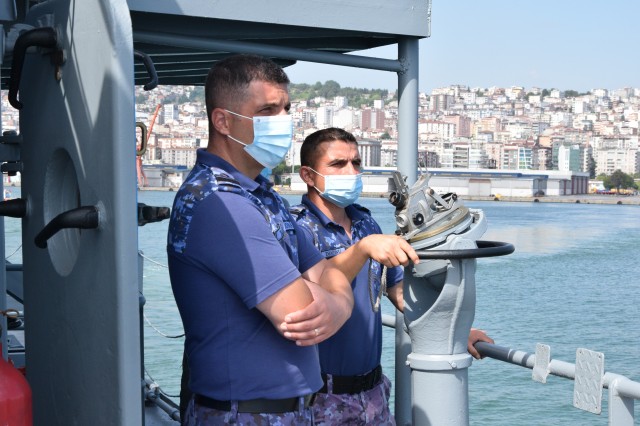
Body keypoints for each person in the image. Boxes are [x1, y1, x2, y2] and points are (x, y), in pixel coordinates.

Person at [167, 55, 357, 425]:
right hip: (243, 414)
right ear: (223, 121)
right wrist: (335, 297)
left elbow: (330, 272)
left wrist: (337, 303)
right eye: (267, 110)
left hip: (288, 410)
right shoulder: (218, 202)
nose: (283, 121)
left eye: (286, 108)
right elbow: (299, 311)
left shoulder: (262, 196)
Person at [291, 127, 494, 425]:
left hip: (372, 392)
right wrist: (362, 250)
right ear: (308, 175)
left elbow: (399, 291)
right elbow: (311, 293)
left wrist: (455, 330)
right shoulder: (296, 230)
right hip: (320, 397)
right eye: (338, 164)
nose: (351, 171)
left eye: (356, 163)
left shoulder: (366, 224)